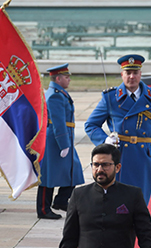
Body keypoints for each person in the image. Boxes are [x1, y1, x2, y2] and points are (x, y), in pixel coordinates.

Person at [83, 54, 151, 206]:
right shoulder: (111, 98)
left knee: (140, 203)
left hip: (143, 159)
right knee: (119, 204)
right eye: (128, 73)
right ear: (122, 74)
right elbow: (91, 125)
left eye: (135, 73)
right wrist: (105, 140)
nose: (132, 77)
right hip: (120, 158)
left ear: (141, 74)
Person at [37, 64, 83, 219]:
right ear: (58, 78)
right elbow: (58, 121)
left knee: (74, 171)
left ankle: (61, 201)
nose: (69, 79)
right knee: (48, 176)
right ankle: (43, 209)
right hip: (55, 140)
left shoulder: (59, 93)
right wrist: (63, 144)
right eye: (66, 77)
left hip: (63, 137)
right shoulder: (55, 95)